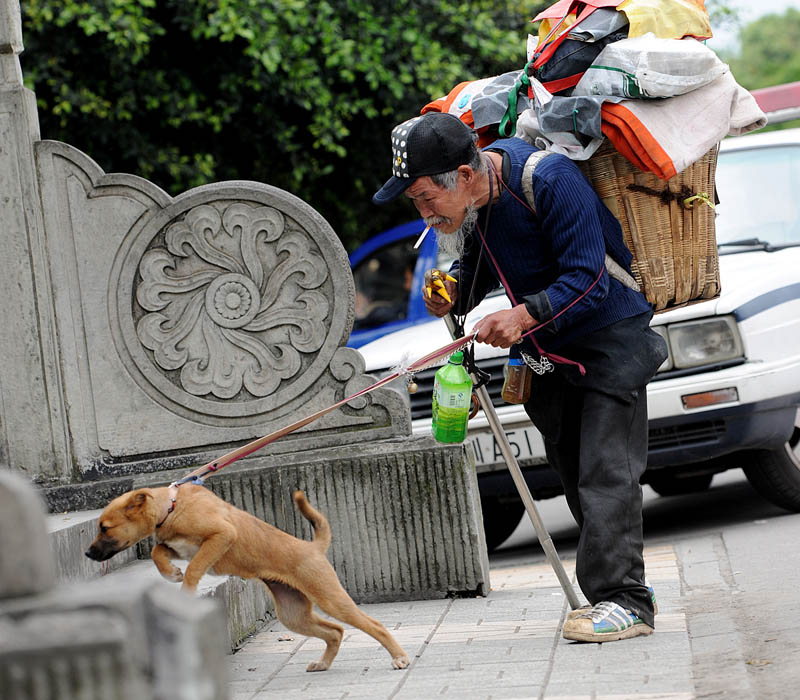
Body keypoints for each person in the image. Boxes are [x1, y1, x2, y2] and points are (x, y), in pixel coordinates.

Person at [372, 111, 668, 643]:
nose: (422, 212)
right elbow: (479, 274)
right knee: (578, 474)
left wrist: (522, 316)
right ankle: (614, 593)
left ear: (463, 175)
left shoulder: (548, 179)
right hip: (548, 356)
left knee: (607, 474)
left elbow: (588, 279)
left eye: (423, 198)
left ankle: (627, 601)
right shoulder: (478, 209)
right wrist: (453, 290)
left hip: (610, 343)